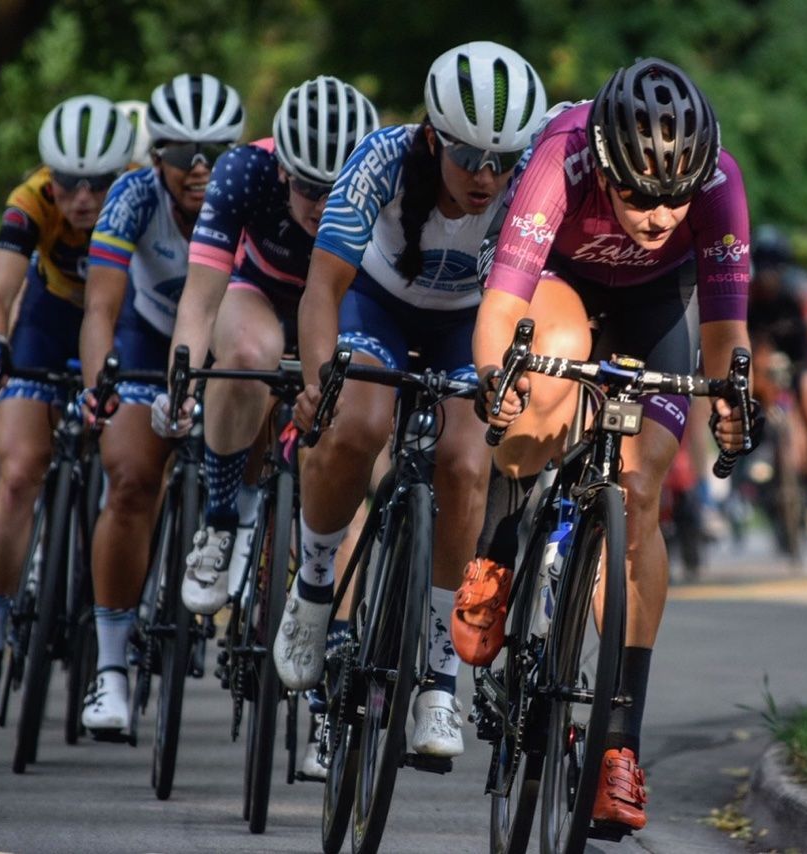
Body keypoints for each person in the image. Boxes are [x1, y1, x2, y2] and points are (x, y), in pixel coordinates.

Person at [469, 58, 757, 830]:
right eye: (637, 194)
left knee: (639, 490)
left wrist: (734, 403)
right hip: (554, 283)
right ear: (604, 165)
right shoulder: (563, 152)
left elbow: (727, 335)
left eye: (676, 195)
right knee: (544, 383)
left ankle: (616, 745)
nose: (660, 215)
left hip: (658, 305)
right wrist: (502, 384)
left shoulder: (721, 182)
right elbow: (500, 310)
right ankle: (498, 546)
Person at [273, 41, 547, 761]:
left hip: (468, 321)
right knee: (357, 421)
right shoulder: (381, 159)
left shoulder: (523, 186)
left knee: (464, 461)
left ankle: (436, 679)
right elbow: (323, 287)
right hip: (376, 306)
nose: (487, 177)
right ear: (433, 137)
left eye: (504, 160)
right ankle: (313, 588)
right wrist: (315, 380)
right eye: (469, 158)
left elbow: (524, 304)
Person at [168, 74, 378, 776]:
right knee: (246, 356)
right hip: (261, 296)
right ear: (281, 167)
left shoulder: (382, 181)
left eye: (337, 190)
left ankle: (328, 704)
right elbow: (199, 301)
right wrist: (183, 379)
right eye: (309, 190)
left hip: (342, 310)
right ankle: (224, 517)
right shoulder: (242, 172)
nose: (324, 206)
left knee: (345, 497)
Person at [0, 95, 133, 722]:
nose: (81, 198)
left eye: (98, 184)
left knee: (131, 470)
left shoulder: (142, 197)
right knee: (20, 472)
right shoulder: (31, 197)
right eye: (68, 182)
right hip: (51, 319)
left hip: (121, 320)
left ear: (123, 174)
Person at [77, 73, 245, 734]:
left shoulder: (246, 196)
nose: (200, 168)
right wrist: (100, 387)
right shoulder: (131, 196)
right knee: (131, 481)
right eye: (183, 154)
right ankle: (111, 670)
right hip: (147, 342)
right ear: (157, 158)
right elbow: (99, 307)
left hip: (226, 341)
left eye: (215, 152)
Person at [748, 224, 807, 545]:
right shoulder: (749, 292)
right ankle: (766, 441)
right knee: (755, 368)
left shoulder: (802, 289)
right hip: (768, 360)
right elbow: (747, 343)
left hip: (804, 359)